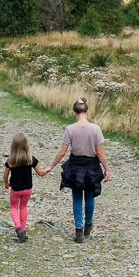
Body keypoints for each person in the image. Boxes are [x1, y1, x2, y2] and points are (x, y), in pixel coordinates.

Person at [48, 97, 110, 243]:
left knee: (76, 198)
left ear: (74, 112)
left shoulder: (70, 129)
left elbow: (62, 152)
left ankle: (78, 231)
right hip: (91, 166)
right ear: (87, 111)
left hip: (75, 165)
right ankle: (88, 224)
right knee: (89, 197)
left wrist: (51, 166)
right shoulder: (96, 129)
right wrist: (106, 169)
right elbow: (100, 152)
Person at [3, 132, 49, 242]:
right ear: (27, 145)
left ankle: (18, 228)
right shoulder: (31, 159)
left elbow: (5, 175)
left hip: (15, 189)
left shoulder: (11, 160)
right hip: (27, 189)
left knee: (14, 207)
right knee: (23, 207)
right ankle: (23, 230)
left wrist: (6, 183)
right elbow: (40, 173)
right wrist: (48, 169)